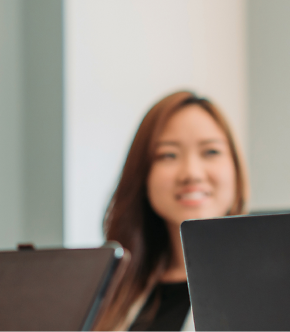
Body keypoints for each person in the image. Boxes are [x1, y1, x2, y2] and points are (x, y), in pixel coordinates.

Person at [93, 91, 249, 332]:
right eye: (169, 155)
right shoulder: (107, 293)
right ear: (143, 176)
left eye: (211, 152)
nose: (191, 173)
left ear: (236, 169)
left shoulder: (274, 287)